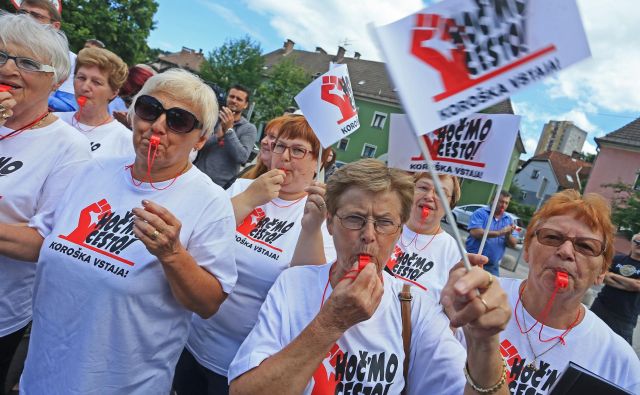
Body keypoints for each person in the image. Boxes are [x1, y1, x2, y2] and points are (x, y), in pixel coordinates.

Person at [13, 68, 238, 394]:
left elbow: (208, 303)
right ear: (134, 115)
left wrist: (172, 255)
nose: (158, 126)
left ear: (200, 139)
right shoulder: (93, 170)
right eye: (149, 110)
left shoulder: (209, 202)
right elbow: (42, 240)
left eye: (178, 120)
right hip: (43, 373)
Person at [228, 159, 512, 395]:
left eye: (385, 222)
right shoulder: (294, 284)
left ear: (400, 232)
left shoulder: (416, 309)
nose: (369, 234)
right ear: (329, 223)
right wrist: (330, 324)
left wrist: (484, 343)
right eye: (354, 218)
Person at [175, 116, 336, 395]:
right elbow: (198, 243)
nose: (284, 157)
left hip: (245, 366)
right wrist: (250, 198)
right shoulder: (243, 189)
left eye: (298, 150)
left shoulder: (322, 215)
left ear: (320, 160)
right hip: (190, 340)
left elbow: (305, 292)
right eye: (280, 146)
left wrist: (312, 229)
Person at [0, 12, 90, 393]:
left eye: (26, 62)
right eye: (1, 56)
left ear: (53, 79)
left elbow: (44, 243)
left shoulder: (69, 148)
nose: (8, 68)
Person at [496, 190, 640, 394]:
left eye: (585, 246)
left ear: (602, 271)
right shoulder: (476, 299)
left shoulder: (619, 363)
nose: (565, 251)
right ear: (527, 248)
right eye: (552, 237)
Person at [386, 172, 462, 297]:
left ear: (450, 204)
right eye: (423, 188)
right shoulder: (382, 229)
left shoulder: (456, 256)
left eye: (441, 193)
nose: (429, 196)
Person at [55, 47, 133, 158]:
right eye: (81, 78)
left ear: (114, 93)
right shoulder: (53, 120)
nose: (85, 87)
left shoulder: (125, 143)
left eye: (96, 82)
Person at [17, 0, 78, 113]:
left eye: (36, 16)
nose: (25, 18)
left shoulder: (70, 60)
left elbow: (69, 106)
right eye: (22, 13)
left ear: (55, 26)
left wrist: (22, 93)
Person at [194, 84, 258, 188]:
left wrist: (229, 131)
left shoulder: (248, 129)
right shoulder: (213, 118)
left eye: (239, 99)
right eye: (231, 96)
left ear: (246, 105)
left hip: (221, 187)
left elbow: (242, 157)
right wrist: (217, 137)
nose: (234, 100)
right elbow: (195, 145)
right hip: (197, 178)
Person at [590, 232, 640, 345]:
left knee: (618, 347)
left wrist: (613, 276)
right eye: (637, 242)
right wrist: (629, 285)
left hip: (625, 315)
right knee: (589, 337)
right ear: (632, 243)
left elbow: (637, 286)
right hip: (601, 306)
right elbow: (603, 276)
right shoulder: (617, 259)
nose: (639, 245)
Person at [465, 190, 517, 276]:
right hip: (473, 262)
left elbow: (513, 244)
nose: (503, 205)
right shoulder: (481, 213)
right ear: (493, 200)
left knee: (492, 289)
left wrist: (508, 234)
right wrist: (500, 232)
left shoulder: (508, 219)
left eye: (506, 203)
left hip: (492, 267)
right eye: (501, 202)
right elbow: (475, 232)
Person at [239, 115, 289, 180]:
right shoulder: (250, 169)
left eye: (272, 137)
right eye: (265, 135)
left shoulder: (285, 184)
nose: (263, 141)